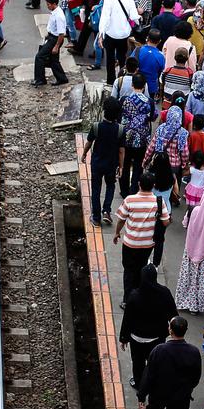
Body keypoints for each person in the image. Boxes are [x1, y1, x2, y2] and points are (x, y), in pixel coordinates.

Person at [120, 264, 179, 387]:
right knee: (155, 362)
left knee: (137, 363)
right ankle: (153, 382)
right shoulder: (164, 293)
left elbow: (128, 318)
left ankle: (138, 382)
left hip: (137, 338)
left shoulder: (134, 295)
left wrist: (124, 337)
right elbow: (173, 314)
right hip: (156, 337)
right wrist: (175, 332)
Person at [114, 173, 171, 298]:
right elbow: (166, 221)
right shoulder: (159, 202)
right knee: (141, 268)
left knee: (129, 270)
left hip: (130, 243)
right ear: (153, 186)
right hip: (147, 244)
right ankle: (137, 295)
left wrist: (117, 233)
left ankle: (127, 298)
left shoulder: (129, 200)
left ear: (139, 184)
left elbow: (121, 220)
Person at [174, 187, 204, 313]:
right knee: (202, 281)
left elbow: (185, 224)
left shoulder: (193, 210)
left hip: (190, 250)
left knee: (188, 277)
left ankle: (184, 301)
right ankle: (197, 306)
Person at [82, 97, 124, 225]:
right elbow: (121, 150)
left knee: (96, 189)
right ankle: (106, 210)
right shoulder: (120, 129)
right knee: (110, 186)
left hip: (97, 163)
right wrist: (121, 166)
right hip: (111, 164)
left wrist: (84, 154)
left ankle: (96, 217)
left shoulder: (96, 126)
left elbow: (89, 143)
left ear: (104, 111)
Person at [119, 74, 154, 195]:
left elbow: (120, 117)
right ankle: (134, 188)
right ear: (144, 86)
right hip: (142, 138)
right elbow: (152, 117)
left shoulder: (124, 100)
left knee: (125, 162)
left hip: (126, 137)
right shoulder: (149, 102)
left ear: (132, 85)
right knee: (138, 165)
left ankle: (124, 190)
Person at [98, 0, 136, 84]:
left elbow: (104, 19)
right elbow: (134, 16)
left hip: (110, 33)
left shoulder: (108, 0)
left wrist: (101, 34)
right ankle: (122, 80)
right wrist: (138, 21)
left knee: (110, 58)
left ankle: (110, 81)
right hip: (124, 34)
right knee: (122, 58)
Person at [31, 0, 69, 86]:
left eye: (48, 4)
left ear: (54, 4)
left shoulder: (59, 16)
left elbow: (61, 34)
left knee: (39, 57)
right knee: (53, 60)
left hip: (55, 39)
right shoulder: (55, 12)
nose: (47, 6)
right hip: (52, 37)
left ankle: (40, 79)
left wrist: (56, 46)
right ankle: (62, 78)